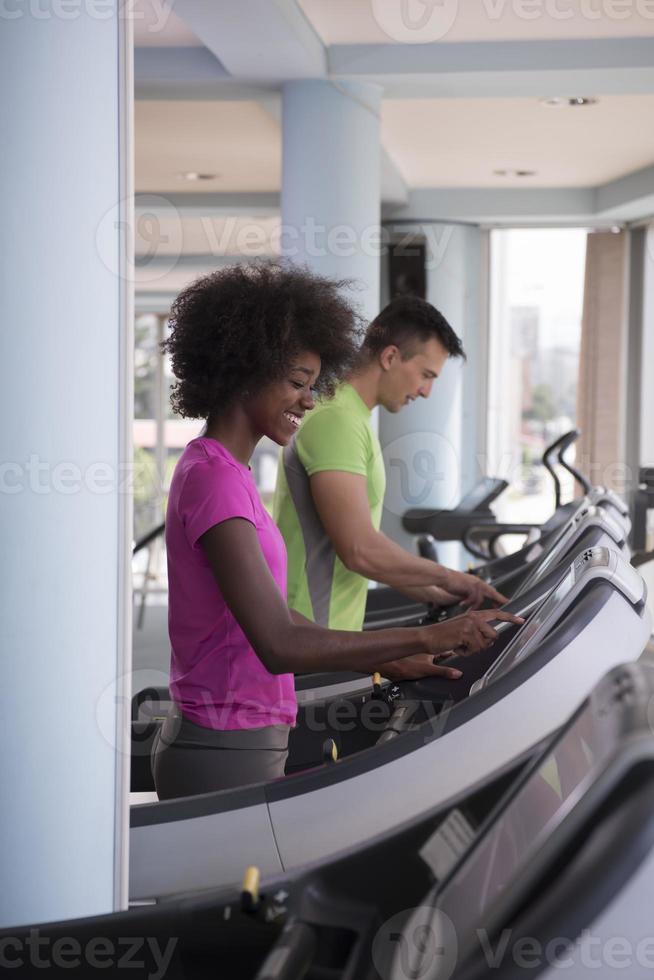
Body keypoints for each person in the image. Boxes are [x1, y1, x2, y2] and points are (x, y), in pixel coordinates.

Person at [152, 264, 522, 800]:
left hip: (245, 735)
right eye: (297, 383)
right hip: (224, 742)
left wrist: (391, 658)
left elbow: (268, 611)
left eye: (312, 385)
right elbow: (278, 642)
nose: (308, 399)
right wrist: (429, 635)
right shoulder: (213, 479)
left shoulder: (229, 472)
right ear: (244, 370)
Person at [273, 295, 507, 672]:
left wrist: (436, 593)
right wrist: (454, 577)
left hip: (330, 639)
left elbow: (354, 555)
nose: (427, 391)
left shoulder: (352, 417)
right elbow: (359, 550)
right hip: (309, 642)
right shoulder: (337, 421)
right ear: (390, 357)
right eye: (427, 375)